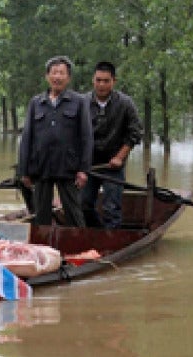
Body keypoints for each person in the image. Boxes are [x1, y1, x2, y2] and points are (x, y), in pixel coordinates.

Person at [16, 56, 94, 227]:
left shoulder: (79, 102)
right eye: (54, 73)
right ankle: (44, 249)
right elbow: (27, 138)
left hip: (68, 166)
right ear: (47, 76)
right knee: (41, 214)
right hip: (41, 166)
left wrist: (83, 170)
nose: (57, 77)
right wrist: (24, 171)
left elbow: (86, 138)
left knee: (74, 212)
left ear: (68, 78)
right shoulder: (36, 103)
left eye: (61, 73)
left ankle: (80, 247)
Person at [82, 61, 143, 228]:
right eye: (98, 80)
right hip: (88, 164)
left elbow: (135, 133)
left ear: (113, 81)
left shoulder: (125, 103)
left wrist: (120, 157)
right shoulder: (82, 103)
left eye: (106, 81)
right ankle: (96, 235)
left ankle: (111, 240)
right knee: (84, 205)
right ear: (93, 80)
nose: (101, 84)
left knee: (111, 207)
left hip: (113, 165)